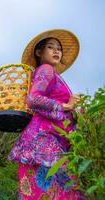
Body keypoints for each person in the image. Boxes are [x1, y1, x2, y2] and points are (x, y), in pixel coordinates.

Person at [8, 29, 84, 199]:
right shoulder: (46, 69)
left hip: (53, 144)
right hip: (44, 144)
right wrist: (66, 105)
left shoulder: (56, 76)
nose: (57, 51)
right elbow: (33, 99)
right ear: (39, 52)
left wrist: (74, 110)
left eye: (59, 48)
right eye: (51, 47)